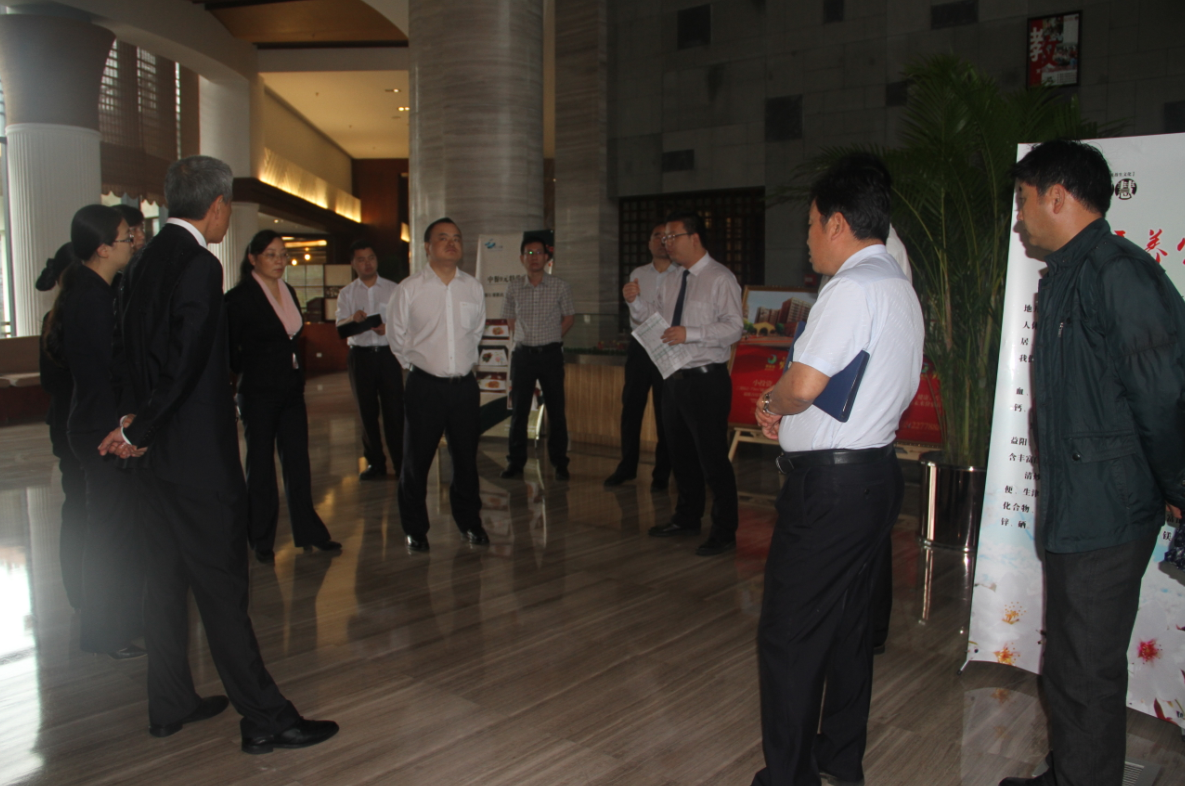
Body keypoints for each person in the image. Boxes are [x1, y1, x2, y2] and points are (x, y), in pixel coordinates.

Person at [100, 155, 337, 753]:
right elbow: (184, 362)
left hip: (154, 460)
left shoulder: (143, 258)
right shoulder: (199, 264)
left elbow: (129, 351)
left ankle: (170, 702)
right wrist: (142, 426)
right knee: (223, 590)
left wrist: (132, 423)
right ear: (217, 206)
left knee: (164, 582)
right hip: (195, 459)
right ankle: (265, 718)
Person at [998, 141, 1185, 786]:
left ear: (1057, 196)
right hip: (1079, 502)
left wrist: (1179, 485)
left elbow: (1164, 395)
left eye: (1023, 200)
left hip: (1108, 507)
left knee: (1085, 672)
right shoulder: (1068, 274)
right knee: (1071, 663)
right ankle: (1069, 772)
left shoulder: (1118, 274)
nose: (1018, 218)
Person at [750, 153, 923, 786]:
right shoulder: (897, 284)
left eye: (810, 223)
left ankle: (789, 777)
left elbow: (804, 384)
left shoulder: (850, 288)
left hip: (831, 489)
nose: (807, 238)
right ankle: (839, 758)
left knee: (790, 635)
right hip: (872, 476)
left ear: (837, 223)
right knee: (848, 629)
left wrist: (772, 405)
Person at [42, 206, 145, 658]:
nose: (133, 242)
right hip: (101, 429)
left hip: (99, 424)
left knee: (113, 530)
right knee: (108, 534)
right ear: (102, 248)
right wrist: (121, 428)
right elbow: (105, 374)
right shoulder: (91, 297)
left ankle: (116, 625)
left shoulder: (95, 289)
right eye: (126, 237)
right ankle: (105, 633)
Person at [623, 209, 743, 557]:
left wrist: (691, 333)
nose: (666, 243)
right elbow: (655, 319)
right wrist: (635, 302)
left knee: (712, 457)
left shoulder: (720, 278)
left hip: (706, 379)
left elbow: (734, 327)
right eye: (663, 237)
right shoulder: (673, 278)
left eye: (672, 236)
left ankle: (724, 530)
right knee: (680, 455)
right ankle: (687, 517)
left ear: (694, 238)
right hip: (673, 378)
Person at [225, 230, 342, 565]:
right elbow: (230, 352)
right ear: (253, 258)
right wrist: (250, 373)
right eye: (271, 254)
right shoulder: (238, 298)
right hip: (258, 393)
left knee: (297, 463)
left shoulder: (288, 290)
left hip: (291, 390)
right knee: (261, 466)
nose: (279, 261)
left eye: (282, 254)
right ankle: (261, 538)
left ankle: (309, 532)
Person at [386, 217, 490, 553]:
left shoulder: (472, 287)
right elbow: (396, 336)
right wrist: (417, 367)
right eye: (443, 238)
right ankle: (415, 528)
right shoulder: (409, 288)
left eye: (456, 238)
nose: (451, 243)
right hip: (425, 387)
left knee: (466, 459)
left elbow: (476, 332)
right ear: (427, 247)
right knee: (417, 460)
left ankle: (470, 522)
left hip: (464, 388)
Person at [604, 221, 674, 491]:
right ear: (649, 243)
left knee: (664, 411)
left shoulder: (682, 274)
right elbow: (636, 313)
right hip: (640, 346)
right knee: (631, 407)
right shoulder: (638, 273)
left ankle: (662, 473)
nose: (661, 241)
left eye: (666, 237)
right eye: (656, 236)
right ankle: (627, 466)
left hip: (668, 346)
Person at [36, 242, 87, 611]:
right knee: (82, 507)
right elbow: (53, 381)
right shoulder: (64, 317)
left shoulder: (54, 317)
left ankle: (79, 588)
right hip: (75, 425)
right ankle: (81, 588)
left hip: (68, 424)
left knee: (78, 504)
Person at [500, 237, 575, 480]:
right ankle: (515, 463)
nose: (534, 257)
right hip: (523, 356)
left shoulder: (560, 286)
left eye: (539, 252)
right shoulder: (513, 287)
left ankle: (560, 462)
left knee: (556, 410)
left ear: (547, 257)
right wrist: (525, 338)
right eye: (529, 253)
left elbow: (569, 318)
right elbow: (510, 319)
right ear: (522, 258)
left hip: (550, 355)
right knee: (519, 411)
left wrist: (552, 338)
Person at [335, 239, 403, 481]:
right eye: (361, 260)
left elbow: (404, 322)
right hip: (360, 357)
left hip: (387, 356)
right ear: (353, 264)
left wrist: (389, 328)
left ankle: (401, 463)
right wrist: (352, 319)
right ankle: (376, 463)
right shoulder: (347, 293)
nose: (367, 263)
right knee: (366, 413)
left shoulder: (394, 289)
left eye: (371, 258)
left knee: (395, 412)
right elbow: (340, 325)